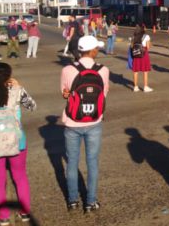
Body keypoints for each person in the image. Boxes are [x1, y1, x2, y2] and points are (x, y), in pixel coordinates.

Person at [60, 36, 109, 213]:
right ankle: (91, 202)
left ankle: (72, 201)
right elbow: (104, 94)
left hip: (72, 122)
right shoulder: (103, 70)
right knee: (92, 163)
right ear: (94, 50)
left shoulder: (67, 69)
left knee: (72, 162)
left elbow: (64, 93)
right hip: (94, 121)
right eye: (97, 48)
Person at [0, 63, 36, 224]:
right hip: (17, 140)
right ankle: (25, 212)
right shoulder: (17, 90)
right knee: (20, 176)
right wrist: (19, 86)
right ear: (9, 75)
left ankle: (3, 217)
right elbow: (32, 106)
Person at [130, 25, 153, 92]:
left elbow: (131, 46)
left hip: (136, 54)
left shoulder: (133, 36)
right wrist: (150, 44)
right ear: (143, 29)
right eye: (145, 27)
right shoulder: (146, 36)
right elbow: (148, 47)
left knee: (135, 71)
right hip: (144, 54)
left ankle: (135, 87)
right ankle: (145, 87)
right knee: (145, 71)